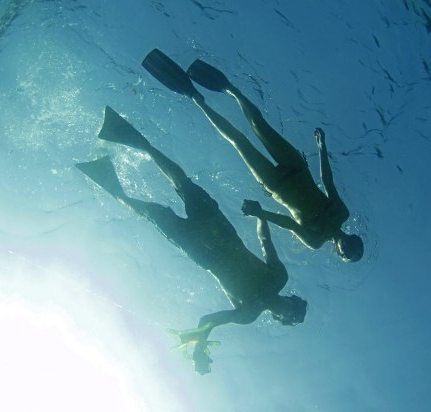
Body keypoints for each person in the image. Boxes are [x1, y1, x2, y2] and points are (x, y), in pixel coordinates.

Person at [76, 106, 307, 374]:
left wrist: (199, 349)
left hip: (203, 253)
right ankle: (137, 141)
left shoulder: (247, 315)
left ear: (281, 319)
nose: (290, 311)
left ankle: (109, 181)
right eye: (295, 308)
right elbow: (266, 243)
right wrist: (260, 215)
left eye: (292, 317)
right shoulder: (279, 278)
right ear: (292, 300)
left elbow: (208, 320)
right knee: (183, 183)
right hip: (223, 232)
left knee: (153, 213)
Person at [141, 49, 364, 263]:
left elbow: (288, 223)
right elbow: (327, 180)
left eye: (347, 254)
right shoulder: (341, 213)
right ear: (354, 239)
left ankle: (197, 100)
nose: (348, 249)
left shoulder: (315, 241)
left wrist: (261, 213)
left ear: (339, 254)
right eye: (354, 248)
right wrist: (322, 146)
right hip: (296, 166)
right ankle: (230, 89)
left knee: (239, 141)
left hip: (275, 185)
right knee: (258, 124)